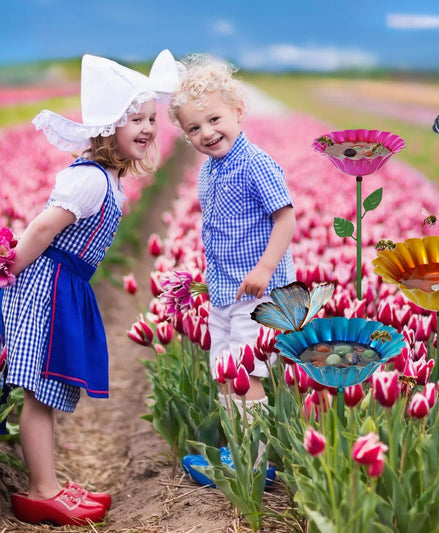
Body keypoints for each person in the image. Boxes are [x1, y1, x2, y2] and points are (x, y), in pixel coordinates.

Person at [0, 49, 182, 526]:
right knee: (40, 394)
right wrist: (7, 272)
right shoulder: (88, 182)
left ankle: (51, 482)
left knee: (49, 393)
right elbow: (41, 231)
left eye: (150, 118)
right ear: (107, 128)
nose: (147, 127)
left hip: (65, 286)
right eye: (134, 119)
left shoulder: (108, 180)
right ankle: (42, 490)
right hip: (45, 286)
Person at [167, 58, 296, 444]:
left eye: (214, 119)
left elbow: (285, 219)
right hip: (224, 292)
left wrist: (264, 269)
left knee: (246, 372)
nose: (206, 133)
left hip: (260, 293)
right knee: (224, 372)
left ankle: (255, 460)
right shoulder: (209, 169)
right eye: (194, 127)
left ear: (238, 111)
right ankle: (237, 452)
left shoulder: (255, 164)